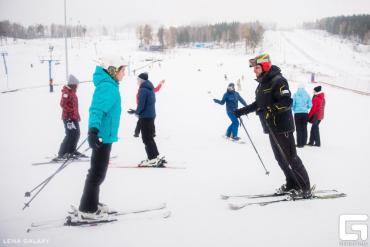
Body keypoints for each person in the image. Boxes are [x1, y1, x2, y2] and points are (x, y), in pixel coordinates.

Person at [234, 54, 311, 198]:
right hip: (271, 128)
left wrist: (270, 110)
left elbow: (286, 102)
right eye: (254, 68)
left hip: (283, 127)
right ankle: (292, 183)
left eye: (256, 67)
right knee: (280, 159)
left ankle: (305, 187)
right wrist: (242, 111)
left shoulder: (278, 81)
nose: (254, 71)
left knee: (291, 158)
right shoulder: (262, 85)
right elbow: (258, 105)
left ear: (265, 66)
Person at [77, 56, 126, 221]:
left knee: (98, 173)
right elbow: (96, 110)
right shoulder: (108, 87)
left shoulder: (110, 85)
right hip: (101, 138)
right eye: (122, 71)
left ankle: (91, 203)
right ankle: (87, 209)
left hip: (105, 136)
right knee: (97, 174)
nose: (124, 74)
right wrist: (93, 131)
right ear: (113, 70)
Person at [128, 72, 165, 167]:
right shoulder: (150, 87)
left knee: (146, 138)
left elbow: (141, 104)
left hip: (145, 116)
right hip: (150, 115)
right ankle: (155, 156)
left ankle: (152, 158)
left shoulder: (143, 89)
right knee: (150, 137)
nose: (137, 81)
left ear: (141, 80)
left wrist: (136, 112)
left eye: (138, 80)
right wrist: (136, 111)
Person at [53, 74, 84, 161]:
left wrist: (76, 116)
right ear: (73, 84)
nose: (78, 86)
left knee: (76, 134)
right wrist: (70, 116)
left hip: (73, 117)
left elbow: (74, 106)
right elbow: (62, 104)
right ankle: (62, 153)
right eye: (77, 84)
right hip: (69, 118)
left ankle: (71, 151)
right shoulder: (66, 92)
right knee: (70, 135)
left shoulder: (72, 92)